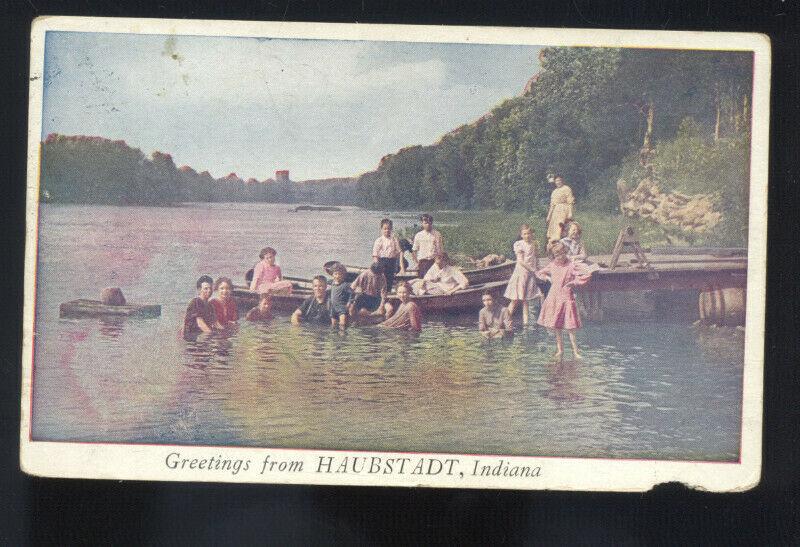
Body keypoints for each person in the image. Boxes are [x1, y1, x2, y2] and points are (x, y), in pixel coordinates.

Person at [535, 242, 593, 360]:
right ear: (553, 256)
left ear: (565, 252)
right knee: (557, 325)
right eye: (557, 255)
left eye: (562, 253)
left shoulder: (571, 265)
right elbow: (539, 272)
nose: (560, 257)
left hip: (566, 297)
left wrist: (574, 282)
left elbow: (586, 274)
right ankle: (560, 349)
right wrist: (548, 278)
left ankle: (575, 351)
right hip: (554, 297)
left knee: (570, 327)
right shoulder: (552, 265)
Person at [504, 224, 543, 326]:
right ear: (521, 235)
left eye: (529, 233)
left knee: (526, 300)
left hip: (530, 275)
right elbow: (520, 261)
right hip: (521, 274)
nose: (527, 236)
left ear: (532, 234)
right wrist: (533, 270)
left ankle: (525, 324)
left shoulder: (534, 243)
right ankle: (504, 321)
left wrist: (538, 270)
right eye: (524, 234)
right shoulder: (519, 244)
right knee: (515, 299)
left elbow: (536, 258)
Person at [372, 219, 405, 292]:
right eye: (385, 229)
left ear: (391, 229)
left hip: (391, 262)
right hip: (381, 262)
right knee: (381, 280)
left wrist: (400, 265)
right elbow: (375, 255)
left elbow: (399, 252)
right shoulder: (379, 240)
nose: (387, 230)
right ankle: (380, 296)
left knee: (389, 280)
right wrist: (377, 266)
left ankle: (388, 294)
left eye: (389, 229)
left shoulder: (394, 239)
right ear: (381, 229)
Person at [546, 175, 575, 246]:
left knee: (561, 227)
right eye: (556, 181)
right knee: (554, 229)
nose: (558, 182)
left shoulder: (566, 188)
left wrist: (570, 213)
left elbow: (570, 202)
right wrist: (549, 216)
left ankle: (563, 244)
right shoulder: (554, 192)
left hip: (564, 209)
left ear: (562, 181)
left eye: (559, 180)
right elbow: (552, 205)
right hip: (555, 212)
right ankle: (554, 246)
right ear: (555, 182)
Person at [412, 214, 444, 278]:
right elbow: (414, 250)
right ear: (422, 223)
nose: (428, 225)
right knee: (423, 281)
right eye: (425, 223)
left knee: (435, 280)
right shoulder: (418, 235)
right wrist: (417, 263)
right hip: (422, 262)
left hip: (434, 261)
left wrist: (441, 262)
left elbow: (440, 250)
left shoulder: (437, 234)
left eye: (429, 223)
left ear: (431, 223)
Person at [329, 264, 351, 328]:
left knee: (342, 324)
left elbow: (351, 294)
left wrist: (349, 303)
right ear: (332, 275)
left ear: (343, 275)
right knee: (333, 324)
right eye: (335, 274)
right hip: (333, 308)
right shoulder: (332, 283)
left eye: (340, 274)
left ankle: (342, 336)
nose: (337, 276)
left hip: (342, 308)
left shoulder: (345, 285)